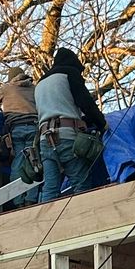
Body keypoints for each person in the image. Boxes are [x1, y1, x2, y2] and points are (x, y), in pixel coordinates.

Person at [34, 48, 108, 202]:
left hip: (44, 140)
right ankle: (82, 221)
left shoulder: (40, 84)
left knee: (50, 187)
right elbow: (86, 104)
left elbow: (54, 108)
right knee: (81, 183)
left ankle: (46, 223)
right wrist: (102, 124)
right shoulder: (69, 74)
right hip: (66, 136)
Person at [0, 67, 41, 200]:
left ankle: (18, 200)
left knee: (18, 164)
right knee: (34, 163)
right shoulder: (35, 89)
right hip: (34, 128)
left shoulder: (7, 88)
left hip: (16, 129)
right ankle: (31, 199)